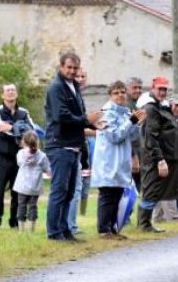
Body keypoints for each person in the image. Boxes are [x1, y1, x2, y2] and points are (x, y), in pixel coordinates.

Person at [44, 52, 103, 242]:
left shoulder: (74, 87)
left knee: (69, 192)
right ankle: (54, 232)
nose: (72, 71)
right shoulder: (56, 88)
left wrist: (95, 125)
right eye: (68, 67)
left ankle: (65, 229)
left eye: (75, 68)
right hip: (59, 144)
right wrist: (86, 120)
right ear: (61, 67)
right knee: (59, 190)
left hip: (74, 145)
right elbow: (62, 116)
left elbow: (80, 115)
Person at [91, 81, 144, 239]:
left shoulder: (126, 112)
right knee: (107, 195)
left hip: (121, 161)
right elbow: (114, 136)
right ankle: (103, 230)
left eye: (122, 92)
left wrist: (139, 124)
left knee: (117, 195)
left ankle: (112, 228)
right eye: (116, 93)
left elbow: (133, 136)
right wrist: (132, 121)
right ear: (110, 95)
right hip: (108, 161)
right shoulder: (104, 113)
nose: (120, 95)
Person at [139, 76, 178, 233]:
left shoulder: (160, 107)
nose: (163, 92)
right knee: (151, 189)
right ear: (153, 88)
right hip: (154, 159)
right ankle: (144, 224)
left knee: (156, 190)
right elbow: (151, 136)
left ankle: (146, 223)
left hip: (166, 157)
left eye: (165, 89)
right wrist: (160, 160)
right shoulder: (151, 108)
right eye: (160, 89)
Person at [0, 83, 34, 229]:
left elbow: (32, 131)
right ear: (2, 95)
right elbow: (1, 128)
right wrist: (20, 129)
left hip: (19, 159)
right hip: (1, 158)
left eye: (13, 90)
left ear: (17, 93)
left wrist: (13, 128)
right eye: (7, 90)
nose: (10, 92)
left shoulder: (24, 112)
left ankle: (15, 222)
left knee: (18, 192)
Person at [152, 94, 178, 224]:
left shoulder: (174, 118)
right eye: (177, 105)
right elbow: (155, 138)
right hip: (166, 159)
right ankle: (174, 217)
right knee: (168, 189)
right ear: (170, 105)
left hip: (173, 158)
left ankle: (156, 218)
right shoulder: (163, 117)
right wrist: (161, 159)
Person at [68, 67, 91, 234]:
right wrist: (95, 129)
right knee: (71, 189)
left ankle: (72, 224)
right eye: (78, 76)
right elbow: (76, 123)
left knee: (79, 188)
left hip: (80, 149)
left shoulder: (79, 96)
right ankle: (69, 226)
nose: (81, 79)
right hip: (68, 148)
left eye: (84, 76)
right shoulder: (70, 96)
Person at [13, 130, 50, 232]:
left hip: (22, 186)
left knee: (21, 206)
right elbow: (47, 169)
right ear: (37, 141)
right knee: (33, 206)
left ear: (23, 142)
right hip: (35, 187)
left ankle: (21, 230)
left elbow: (19, 163)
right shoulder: (42, 155)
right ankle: (31, 229)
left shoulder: (20, 154)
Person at [125, 77, 144, 191]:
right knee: (129, 191)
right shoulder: (126, 107)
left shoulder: (140, 105)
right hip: (130, 155)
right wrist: (134, 156)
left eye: (140, 88)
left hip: (142, 153)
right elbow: (127, 134)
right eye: (134, 88)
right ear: (127, 89)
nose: (137, 90)